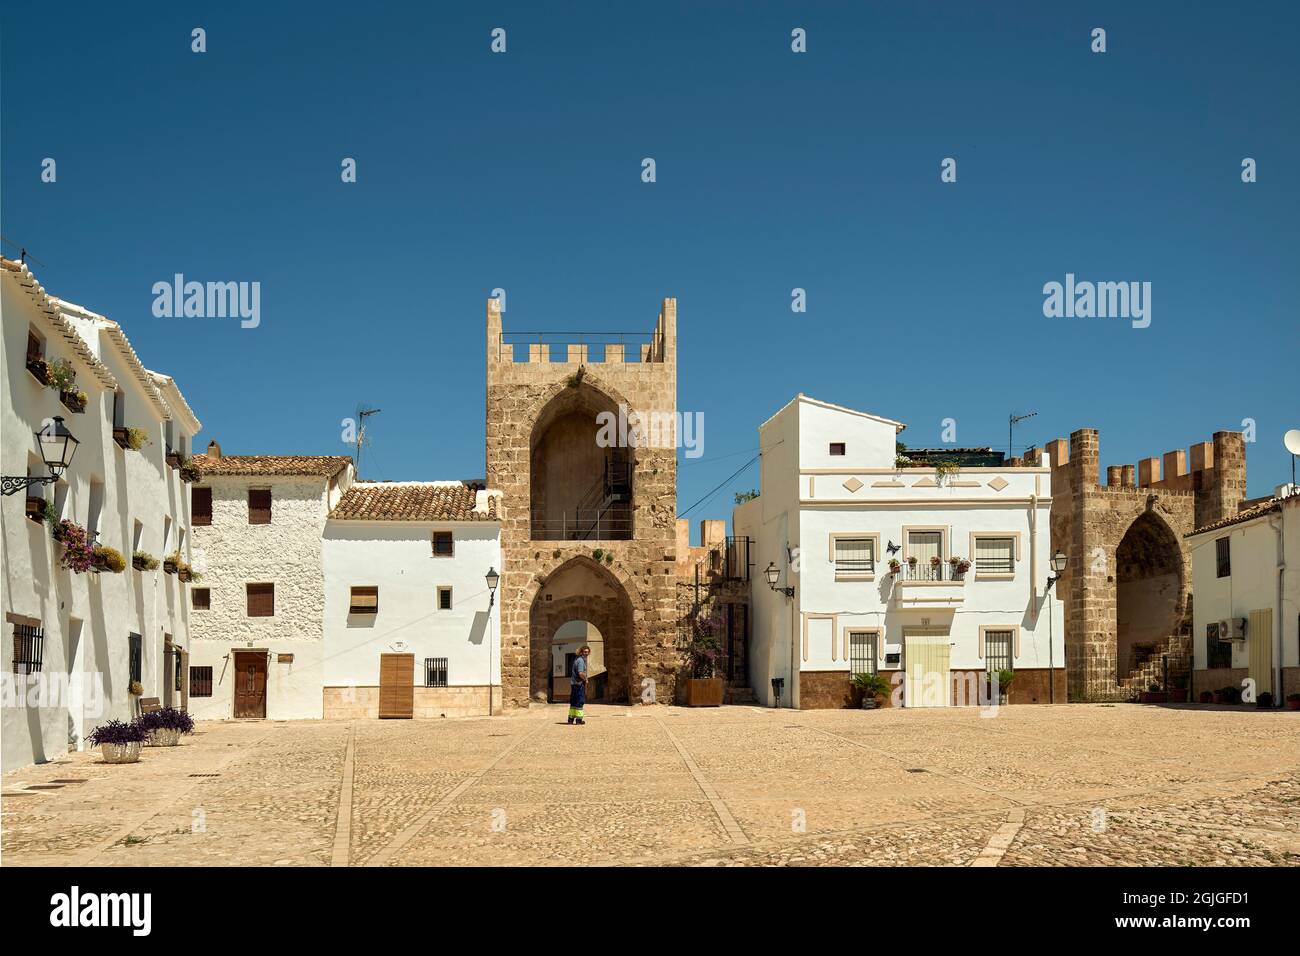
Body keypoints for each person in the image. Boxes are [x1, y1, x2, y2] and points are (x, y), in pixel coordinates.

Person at [567, 645, 590, 725]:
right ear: (581, 652)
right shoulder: (581, 661)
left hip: (574, 683)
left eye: (587, 652)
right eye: (585, 652)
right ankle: (579, 720)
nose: (586, 654)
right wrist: (585, 679)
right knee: (580, 701)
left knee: (573, 702)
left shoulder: (576, 659)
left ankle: (570, 719)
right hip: (579, 684)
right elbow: (580, 673)